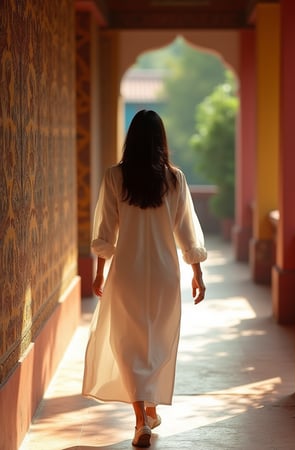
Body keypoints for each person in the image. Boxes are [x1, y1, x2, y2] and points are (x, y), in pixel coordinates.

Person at [82, 110, 207, 448]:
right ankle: (147, 411)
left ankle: (142, 420)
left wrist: (99, 273)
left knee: (128, 343)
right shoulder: (175, 179)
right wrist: (197, 273)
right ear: (161, 141)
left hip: (128, 273)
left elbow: (104, 231)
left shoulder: (115, 177)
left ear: (131, 138)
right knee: (156, 341)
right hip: (165, 273)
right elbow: (187, 231)